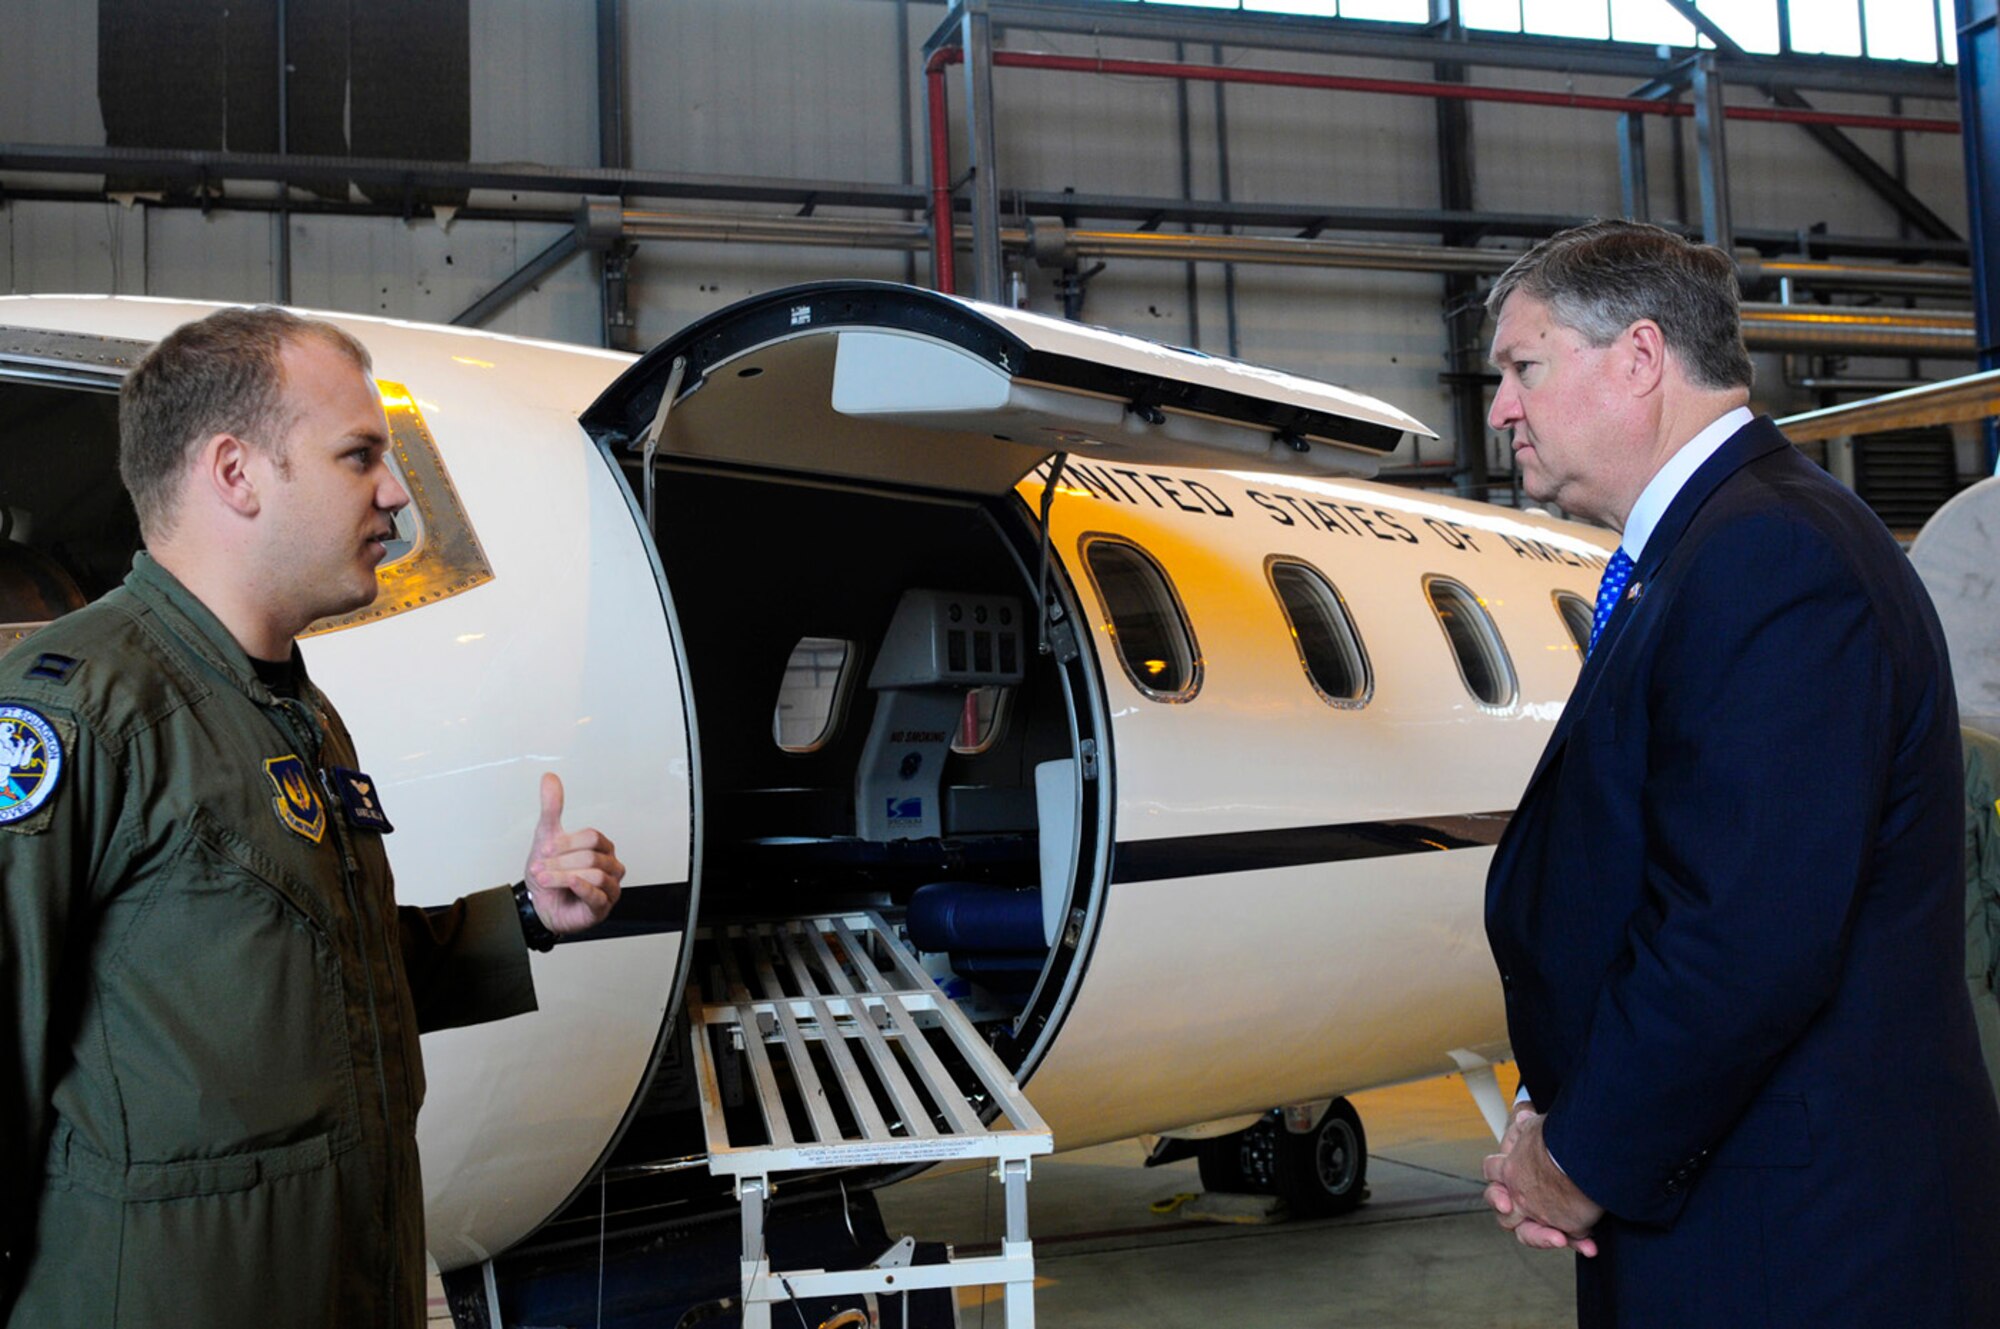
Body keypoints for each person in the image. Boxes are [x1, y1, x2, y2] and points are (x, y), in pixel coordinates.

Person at [0, 307, 626, 1328]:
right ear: (236, 473)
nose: (392, 495)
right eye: (358, 456)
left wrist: (521, 913)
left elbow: (319, 979)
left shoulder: (291, 708)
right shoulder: (77, 713)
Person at [1478, 220, 2000, 1326]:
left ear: (1637, 357)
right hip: (1738, 1207)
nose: (1498, 409)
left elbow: (1736, 937)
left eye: (1521, 367)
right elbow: (1644, 877)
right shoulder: (1710, 548)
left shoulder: (1770, 557)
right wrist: (1554, 1110)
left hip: (1795, 1242)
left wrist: (1576, 1161)